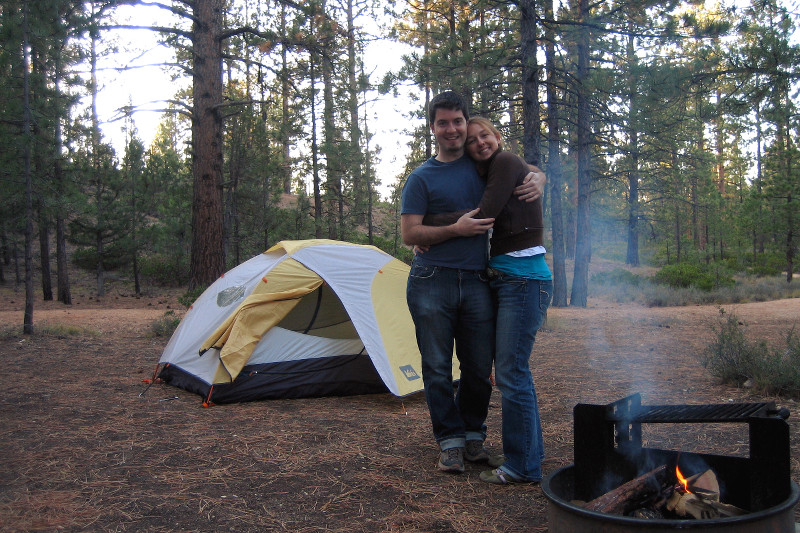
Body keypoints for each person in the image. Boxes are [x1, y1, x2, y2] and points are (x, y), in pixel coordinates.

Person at [400, 91, 545, 474]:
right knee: (435, 366)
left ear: (466, 125)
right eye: (443, 122)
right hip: (432, 281)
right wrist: (453, 229)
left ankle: (472, 435)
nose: (452, 129)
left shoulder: (481, 166)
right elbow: (409, 233)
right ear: (432, 128)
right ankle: (449, 440)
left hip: (480, 280)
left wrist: (540, 177)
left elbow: (519, 167)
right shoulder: (421, 177)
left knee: (480, 368)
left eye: (458, 121)